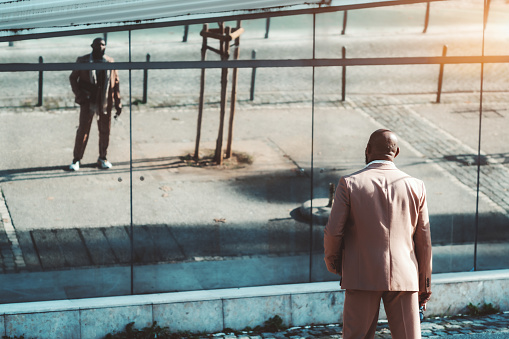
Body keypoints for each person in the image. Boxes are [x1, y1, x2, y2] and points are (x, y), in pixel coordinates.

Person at [324, 129, 432, 339]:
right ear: (397, 152)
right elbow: (424, 241)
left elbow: (333, 232)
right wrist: (424, 284)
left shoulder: (349, 184)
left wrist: (334, 264)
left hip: (361, 274)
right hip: (404, 275)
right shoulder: (416, 186)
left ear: (368, 150)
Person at [69, 37, 121, 171]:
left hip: (104, 101)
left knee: (105, 131)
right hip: (88, 101)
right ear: (92, 46)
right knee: (83, 130)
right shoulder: (83, 60)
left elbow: (115, 84)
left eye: (103, 45)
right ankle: (76, 160)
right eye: (98, 45)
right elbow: (73, 78)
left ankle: (102, 158)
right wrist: (79, 95)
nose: (101, 47)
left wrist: (118, 102)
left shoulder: (110, 62)